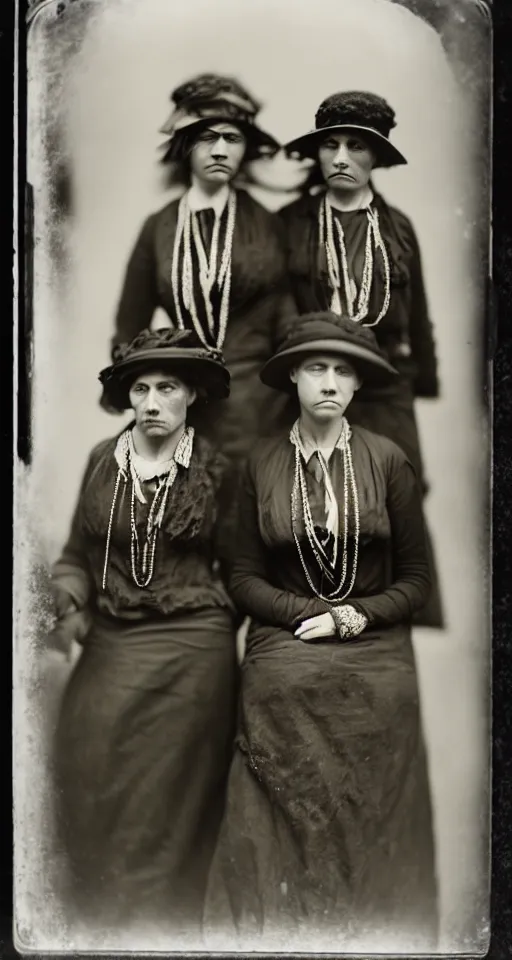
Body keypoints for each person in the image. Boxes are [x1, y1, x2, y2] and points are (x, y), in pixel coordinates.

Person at [203, 313, 438, 954]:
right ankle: (272, 925)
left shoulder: (389, 462)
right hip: (287, 632)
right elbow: (243, 577)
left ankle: (372, 925)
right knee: (274, 689)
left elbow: (416, 580)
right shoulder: (262, 463)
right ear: (294, 381)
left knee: (384, 709)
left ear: (358, 386)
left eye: (342, 370)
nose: (329, 382)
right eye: (315, 368)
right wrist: (299, 610)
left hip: (374, 635)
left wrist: (353, 615)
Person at [48, 328, 237, 943]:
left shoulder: (217, 470)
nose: (152, 401)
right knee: (85, 773)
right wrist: (66, 598)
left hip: (193, 651)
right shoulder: (103, 460)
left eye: (168, 387)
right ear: (129, 396)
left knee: (166, 808)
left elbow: (242, 570)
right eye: (141, 387)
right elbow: (78, 552)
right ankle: (103, 929)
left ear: (192, 397)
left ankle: (155, 937)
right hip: (112, 640)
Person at [279, 91, 443, 627]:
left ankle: (383, 619)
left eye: (357, 146)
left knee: (395, 495)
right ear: (318, 155)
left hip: (385, 383)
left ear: (378, 158)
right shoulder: (294, 223)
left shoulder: (397, 228)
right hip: (315, 381)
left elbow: (417, 316)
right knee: (313, 496)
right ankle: (310, 612)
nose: (342, 158)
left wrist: (422, 380)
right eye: (331, 145)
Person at [104, 72, 296, 467]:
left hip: (261, 407)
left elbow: (287, 324)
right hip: (186, 403)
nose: (220, 150)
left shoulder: (269, 225)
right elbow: (129, 322)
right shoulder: (158, 227)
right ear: (186, 145)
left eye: (233, 138)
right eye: (208, 137)